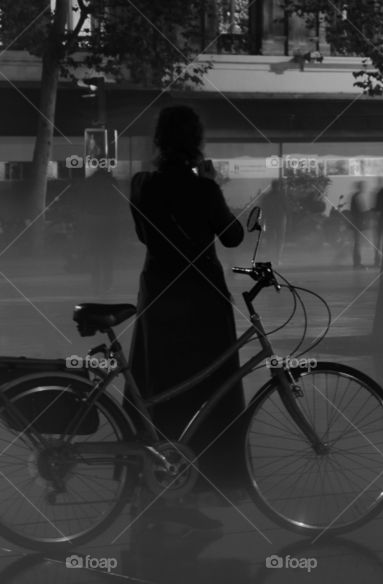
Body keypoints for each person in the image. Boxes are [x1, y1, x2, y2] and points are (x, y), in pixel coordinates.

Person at [127, 105, 246, 533]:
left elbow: (144, 235)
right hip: (201, 302)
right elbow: (232, 236)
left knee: (159, 388)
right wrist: (212, 185)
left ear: (159, 140)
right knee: (206, 390)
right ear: (197, 142)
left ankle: (150, 481)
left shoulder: (142, 185)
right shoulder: (204, 190)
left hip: (159, 296)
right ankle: (197, 485)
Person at [81, 168, 120, 293]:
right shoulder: (111, 182)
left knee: (95, 255)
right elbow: (118, 201)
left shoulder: (90, 182)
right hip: (109, 221)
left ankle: (95, 284)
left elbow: (83, 201)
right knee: (108, 255)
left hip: (93, 220)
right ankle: (107, 284)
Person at [260, 179, 287, 265]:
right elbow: (287, 209)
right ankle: (277, 259)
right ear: (279, 186)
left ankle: (270, 257)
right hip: (280, 220)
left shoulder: (267, 197)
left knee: (270, 239)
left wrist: (262, 221)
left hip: (270, 220)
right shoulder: (282, 196)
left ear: (272, 186)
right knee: (280, 240)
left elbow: (263, 210)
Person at [348, 181, 367, 269]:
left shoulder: (354, 196)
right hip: (357, 223)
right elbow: (361, 211)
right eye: (362, 186)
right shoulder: (358, 196)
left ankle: (357, 262)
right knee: (357, 243)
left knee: (357, 243)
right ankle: (357, 263)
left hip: (355, 223)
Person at [373, 185, 383, 268]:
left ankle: (377, 260)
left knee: (378, 242)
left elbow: (377, 209)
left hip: (380, 222)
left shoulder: (379, 195)